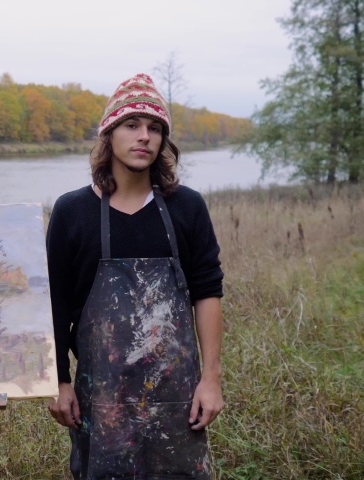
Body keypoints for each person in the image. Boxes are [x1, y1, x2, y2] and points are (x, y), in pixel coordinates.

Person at [46, 73, 224, 479]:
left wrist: (210, 380)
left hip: (178, 401)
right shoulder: (73, 212)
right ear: (108, 134)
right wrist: (59, 381)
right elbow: (53, 305)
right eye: (132, 125)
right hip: (102, 400)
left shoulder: (187, 207)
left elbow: (208, 293)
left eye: (155, 128)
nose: (144, 136)